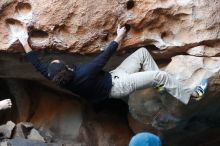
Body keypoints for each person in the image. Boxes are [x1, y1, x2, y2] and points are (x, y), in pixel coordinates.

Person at [8, 18, 208, 105]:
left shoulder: (55, 76)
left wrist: (24, 42)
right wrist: (120, 34)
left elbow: (36, 64)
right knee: (160, 75)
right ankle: (191, 96)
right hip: (118, 86)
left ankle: (162, 88)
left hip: (114, 76)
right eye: (60, 60)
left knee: (142, 54)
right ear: (68, 67)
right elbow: (106, 54)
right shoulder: (84, 73)